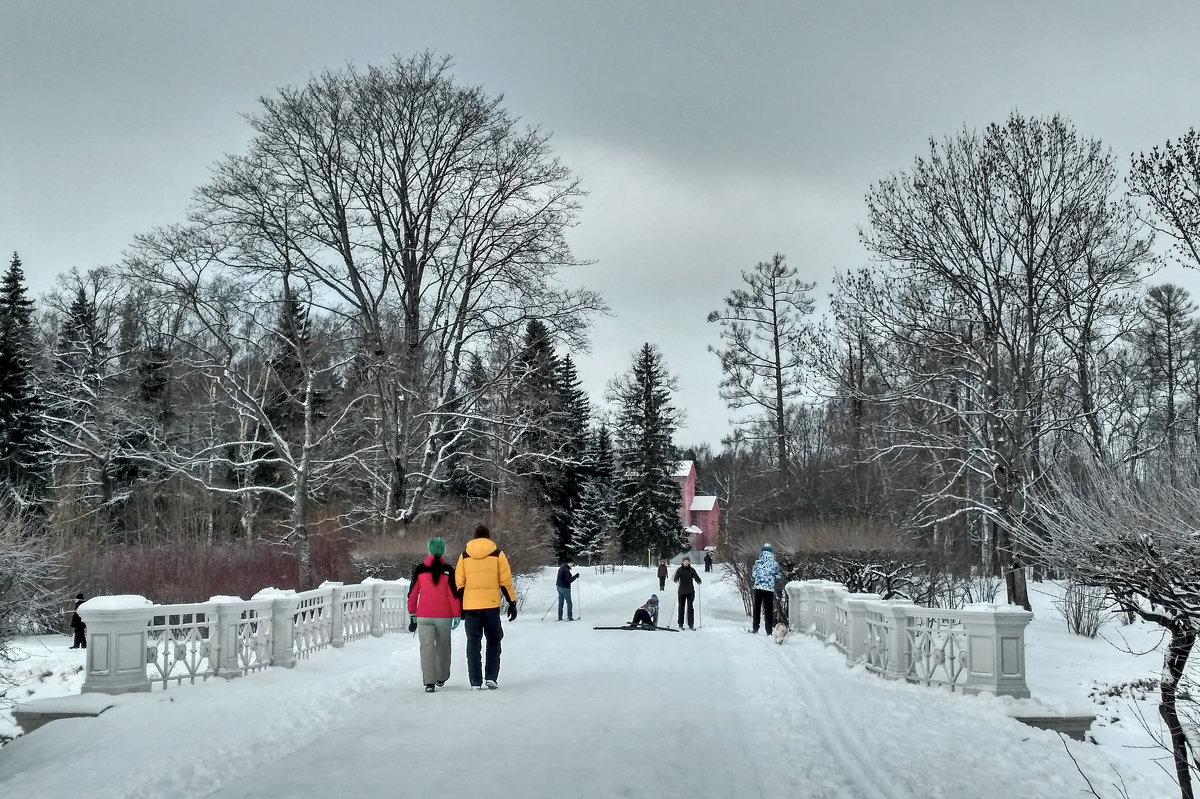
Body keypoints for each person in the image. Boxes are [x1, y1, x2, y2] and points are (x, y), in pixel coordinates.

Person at [455, 524, 517, 690]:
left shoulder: (464, 555)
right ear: (489, 537)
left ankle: (475, 681)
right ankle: (491, 677)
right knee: (494, 640)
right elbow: (505, 581)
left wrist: (461, 607)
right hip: (491, 606)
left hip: (471, 607)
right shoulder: (497, 554)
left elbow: (459, 584)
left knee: (473, 642)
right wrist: (512, 603)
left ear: (474, 538)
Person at [407, 537, 462, 693]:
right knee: (443, 647)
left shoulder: (420, 569)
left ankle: (429, 682)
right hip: (444, 616)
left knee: (426, 648)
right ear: (443, 550)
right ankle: (441, 677)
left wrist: (412, 613)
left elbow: (413, 593)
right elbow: (453, 595)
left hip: (423, 615)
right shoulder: (449, 570)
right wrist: (457, 614)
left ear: (429, 550)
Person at [751, 543, 783, 634]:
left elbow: (753, 575)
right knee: (768, 610)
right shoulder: (774, 564)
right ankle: (769, 630)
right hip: (769, 589)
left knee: (757, 609)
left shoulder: (757, 562)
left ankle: (755, 628)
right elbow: (778, 576)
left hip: (758, 588)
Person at [673, 557, 702, 630]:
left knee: (690, 608)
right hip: (681, 592)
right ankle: (680, 623)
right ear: (682, 562)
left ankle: (691, 624)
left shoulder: (691, 570)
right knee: (681, 607)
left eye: (687, 561)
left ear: (689, 562)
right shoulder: (679, 570)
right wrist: (676, 580)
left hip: (690, 591)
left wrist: (698, 581)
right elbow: (676, 577)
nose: (686, 562)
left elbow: (696, 576)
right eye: (685, 561)